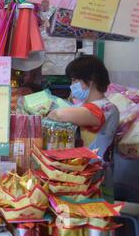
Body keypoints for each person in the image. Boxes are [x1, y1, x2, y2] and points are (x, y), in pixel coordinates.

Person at [47, 55, 119, 201]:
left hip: (95, 175)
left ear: (90, 81)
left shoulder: (106, 108)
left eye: (75, 80)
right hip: (78, 173)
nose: (72, 85)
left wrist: (51, 113)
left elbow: (59, 115)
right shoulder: (81, 106)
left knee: (94, 218)